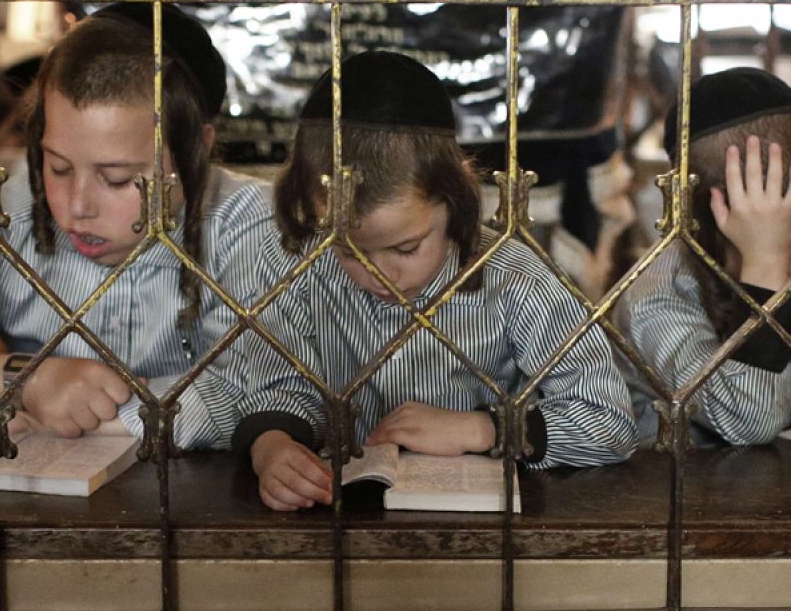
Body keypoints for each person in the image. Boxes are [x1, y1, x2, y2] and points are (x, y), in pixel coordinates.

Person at [232, 51, 637, 511]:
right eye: (348, 252)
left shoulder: (514, 279)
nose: (379, 274)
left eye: (406, 249)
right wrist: (272, 445)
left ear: (455, 202)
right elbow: (278, 384)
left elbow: (609, 421)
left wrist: (484, 429)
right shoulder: (297, 264)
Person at [0, 3, 266, 455]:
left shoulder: (246, 223)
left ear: (195, 151)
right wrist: (25, 380)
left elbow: (262, 393)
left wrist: (33, 418)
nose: (76, 207)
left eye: (118, 178)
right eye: (58, 167)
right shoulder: (3, 218)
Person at [612, 67, 791, 447]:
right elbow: (749, 422)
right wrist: (765, 265)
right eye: (775, 242)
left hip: (785, 485)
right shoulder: (657, 293)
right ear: (713, 222)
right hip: (669, 490)